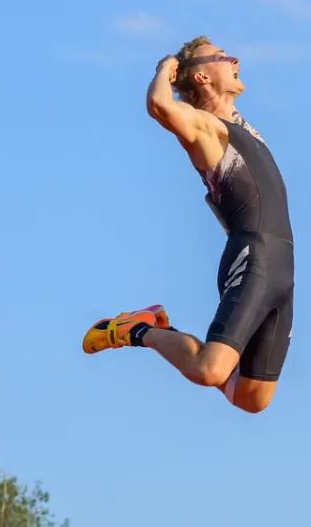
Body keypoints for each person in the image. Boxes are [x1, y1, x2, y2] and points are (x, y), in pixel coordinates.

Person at [81, 36, 295, 414]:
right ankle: (137, 330)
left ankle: (162, 328)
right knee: (210, 370)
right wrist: (168, 66)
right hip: (254, 257)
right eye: (223, 57)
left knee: (252, 398)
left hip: (284, 270)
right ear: (202, 77)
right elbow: (160, 106)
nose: (235, 60)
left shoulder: (241, 126)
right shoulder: (207, 129)